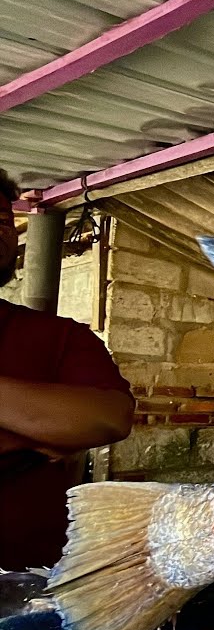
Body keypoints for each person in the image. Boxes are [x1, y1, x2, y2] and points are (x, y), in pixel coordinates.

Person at [0, 168, 134, 570]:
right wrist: (31, 432)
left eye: (5, 222)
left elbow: (109, 418)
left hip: (32, 586)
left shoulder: (58, 335)